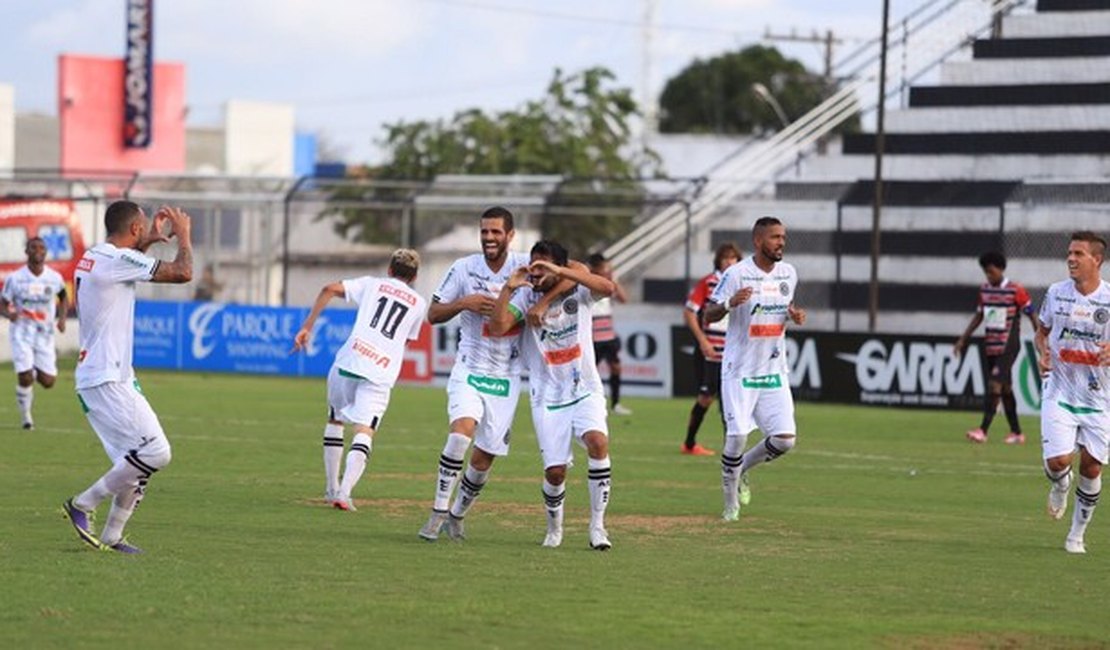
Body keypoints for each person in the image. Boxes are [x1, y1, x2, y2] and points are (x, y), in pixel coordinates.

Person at [418, 207, 564, 541]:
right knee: (460, 433)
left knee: (484, 459)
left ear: (510, 236)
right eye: (485, 232)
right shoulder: (463, 268)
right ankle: (437, 513)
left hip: (507, 376)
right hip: (469, 368)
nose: (489, 238)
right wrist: (463, 303)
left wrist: (541, 303)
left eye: (496, 232)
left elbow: (573, 273)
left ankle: (458, 514)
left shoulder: (527, 266)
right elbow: (433, 314)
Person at [61, 201, 193, 554]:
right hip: (105, 378)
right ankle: (83, 504)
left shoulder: (97, 256)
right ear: (134, 228)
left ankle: (112, 536)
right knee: (157, 452)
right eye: (144, 227)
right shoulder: (117, 261)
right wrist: (184, 236)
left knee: (135, 462)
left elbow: (128, 261)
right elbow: (183, 273)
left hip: (109, 375)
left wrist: (148, 242)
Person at [488, 240, 615, 550]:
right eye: (534, 265)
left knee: (598, 442)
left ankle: (598, 526)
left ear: (560, 266)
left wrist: (557, 272)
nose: (537, 272)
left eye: (544, 265)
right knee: (555, 472)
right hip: (547, 395)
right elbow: (498, 325)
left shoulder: (580, 291)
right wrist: (508, 288)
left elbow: (607, 287)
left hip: (585, 387)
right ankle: (554, 528)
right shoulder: (525, 297)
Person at [293, 249, 428, 512]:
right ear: (414, 278)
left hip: (349, 361)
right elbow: (408, 339)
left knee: (335, 419)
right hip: (380, 372)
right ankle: (344, 493)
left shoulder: (371, 284)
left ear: (389, 270)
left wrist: (307, 326)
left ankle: (331, 488)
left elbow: (328, 289)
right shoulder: (419, 303)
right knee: (364, 431)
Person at [704, 217, 805, 521]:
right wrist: (729, 304)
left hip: (774, 370)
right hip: (739, 372)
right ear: (758, 241)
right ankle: (730, 504)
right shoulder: (736, 274)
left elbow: (783, 308)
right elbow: (707, 314)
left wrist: (793, 315)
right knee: (735, 437)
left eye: (783, 237)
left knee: (785, 440)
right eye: (775, 237)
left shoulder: (789, 273)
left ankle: (743, 467)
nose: (781, 243)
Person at [1034, 231, 1110, 554]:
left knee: (1092, 466)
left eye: (1078, 254)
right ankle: (1059, 483)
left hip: (1099, 397)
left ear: (1097, 260)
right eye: (1069, 253)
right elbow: (1042, 332)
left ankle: (1076, 535)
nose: (1071, 259)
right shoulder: (1056, 293)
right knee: (1058, 461)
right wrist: (1043, 352)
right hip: (1060, 391)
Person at [955, 251, 1039, 444]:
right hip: (991, 345)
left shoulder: (1015, 290)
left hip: (1009, 345)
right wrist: (963, 339)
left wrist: (1039, 337)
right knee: (1005, 389)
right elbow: (979, 316)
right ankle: (1017, 432)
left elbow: (1031, 313)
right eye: (986, 273)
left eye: (991, 272)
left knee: (994, 384)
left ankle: (983, 430)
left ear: (1000, 269)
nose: (988, 276)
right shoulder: (985, 290)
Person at [0, 237, 68, 429]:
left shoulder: (54, 277)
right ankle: (26, 418)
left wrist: (62, 320)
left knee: (48, 382)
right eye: (34, 247)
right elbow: (2, 303)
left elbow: (63, 297)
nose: (38, 251)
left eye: (42, 248)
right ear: (27, 251)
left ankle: (33, 370)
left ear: (46, 252)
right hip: (22, 333)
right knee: (25, 377)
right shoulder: (15, 278)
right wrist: (9, 314)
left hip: (44, 335)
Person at [681, 241, 742, 456]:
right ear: (718, 260)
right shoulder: (708, 282)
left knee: (730, 402)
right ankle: (689, 443)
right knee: (706, 397)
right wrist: (702, 341)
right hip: (711, 352)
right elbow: (689, 312)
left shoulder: (742, 284)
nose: (729, 261)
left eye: (733, 258)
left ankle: (731, 451)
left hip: (733, 353)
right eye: (725, 258)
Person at [587, 252, 631, 415]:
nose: (608, 271)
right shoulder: (589, 284)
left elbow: (624, 299)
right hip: (593, 337)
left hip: (609, 336)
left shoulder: (608, 285)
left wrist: (613, 280)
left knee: (616, 367)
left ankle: (616, 403)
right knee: (590, 372)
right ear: (596, 269)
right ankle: (588, 403)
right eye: (605, 268)